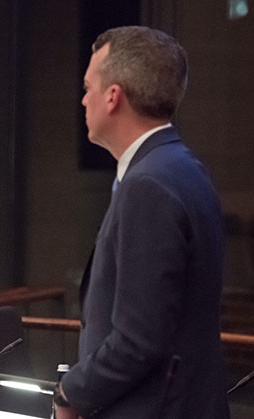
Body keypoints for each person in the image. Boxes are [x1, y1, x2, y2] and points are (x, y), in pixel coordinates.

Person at [53, 27, 230, 418]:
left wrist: (71, 393)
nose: (83, 100)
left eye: (88, 88)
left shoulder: (148, 183)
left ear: (113, 97)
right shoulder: (183, 166)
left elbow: (139, 339)